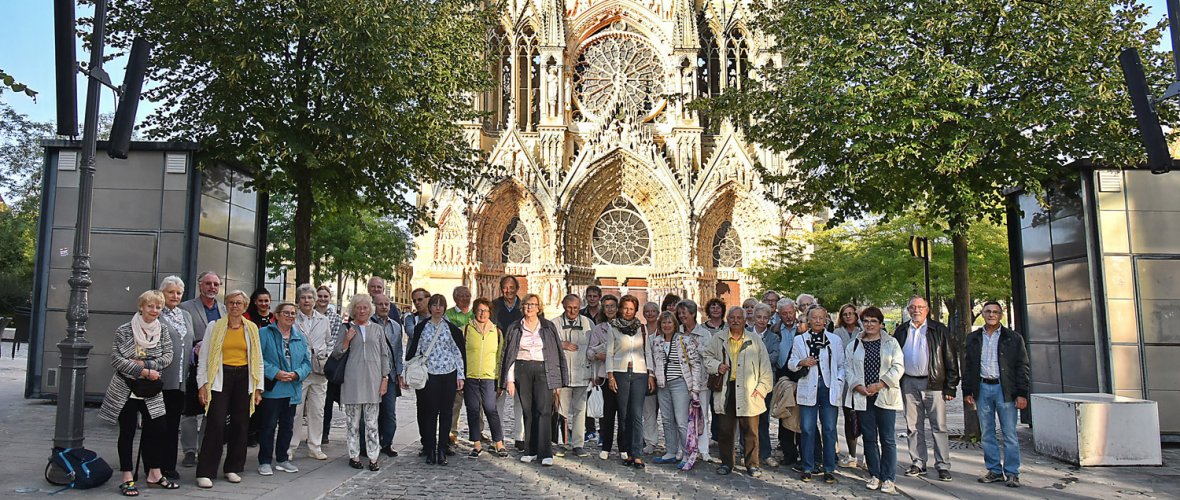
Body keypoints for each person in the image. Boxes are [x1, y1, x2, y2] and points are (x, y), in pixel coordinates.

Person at [99, 290, 178, 496]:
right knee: (127, 431)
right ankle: (127, 476)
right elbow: (117, 359)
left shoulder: (163, 331)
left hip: (151, 389)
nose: (154, 310)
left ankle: (154, 472)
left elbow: (168, 356)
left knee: (158, 429)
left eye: (158, 307)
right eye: (150, 306)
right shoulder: (124, 330)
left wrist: (146, 365)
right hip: (126, 387)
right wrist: (142, 371)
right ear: (141, 306)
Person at [195, 290, 264, 489]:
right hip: (220, 377)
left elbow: (257, 359)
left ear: (245, 306)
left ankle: (233, 468)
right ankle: (205, 471)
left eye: (239, 303)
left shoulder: (251, 328)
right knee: (216, 423)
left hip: (244, 378)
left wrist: (258, 388)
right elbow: (204, 358)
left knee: (241, 424)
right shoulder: (214, 327)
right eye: (231, 303)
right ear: (226, 305)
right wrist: (202, 385)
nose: (235, 306)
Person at [963, 301, 1030, 488]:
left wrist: (1022, 393)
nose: (991, 314)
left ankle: (1012, 472)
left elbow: (1022, 367)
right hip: (982, 388)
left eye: (995, 312)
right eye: (988, 312)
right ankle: (994, 470)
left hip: (1005, 390)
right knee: (987, 433)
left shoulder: (1013, 338)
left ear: (1001, 315)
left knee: (1009, 433)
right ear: (982, 314)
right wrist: (967, 390)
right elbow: (968, 366)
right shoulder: (974, 338)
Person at [893, 296, 960, 481]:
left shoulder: (938, 330)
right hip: (908, 382)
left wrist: (951, 386)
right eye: (912, 307)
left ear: (927, 309)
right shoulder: (902, 330)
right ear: (908, 310)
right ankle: (918, 462)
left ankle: (943, 465)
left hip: (934, 384)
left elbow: (950, 357)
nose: (916, 310)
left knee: (938, 426)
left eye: (920, 307)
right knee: (913, 426)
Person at [704, 306, 773, 477]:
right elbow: (705, 356)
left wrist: (761, 390)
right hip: (727, 390)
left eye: (739, 317)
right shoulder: (718, 338)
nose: (735, 320)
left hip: (750, 390)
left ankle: (752, 464)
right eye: (732, 317)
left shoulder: (755, 341)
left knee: (750, 430)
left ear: (744, 320)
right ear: (727, 319)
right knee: (725, 430)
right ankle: (727, 463)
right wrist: (716, 366)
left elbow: (765, 368)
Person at [501, 293, 569, 466]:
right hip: (523, 369)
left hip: (543, 369)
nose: (529, 308)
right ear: (522, 307)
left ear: (539, 308)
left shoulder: (547, 327)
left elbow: (556, 354)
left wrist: (558, 380)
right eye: (526, 304)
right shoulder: (515, 327)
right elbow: (509, 355)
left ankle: (545, 451)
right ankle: (530, 450)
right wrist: (509, 380)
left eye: (533, 304)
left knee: (544, 410)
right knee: (528, 410)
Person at [843, 306, 903, 494]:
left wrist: (880, 384)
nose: (869, 324)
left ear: (880, 324)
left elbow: (898, 367)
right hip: (863, 396)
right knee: (869, 438)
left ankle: (888, 477)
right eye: (866, 321)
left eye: (873, 321)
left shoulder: (891, 343)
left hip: (884, 394)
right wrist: (857, 385)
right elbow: (848, 368)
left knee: (887, 438)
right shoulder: (854, 344)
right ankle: (875, 474)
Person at [332, 294, 392, 471]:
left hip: (373, 380)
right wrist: (347, 339)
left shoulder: (377, 329)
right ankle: (354, 455)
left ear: (369, 309)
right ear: (353, 310)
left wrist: (385, 378)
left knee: (372, 423)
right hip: (352, 380)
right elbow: (337, 353)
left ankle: (374, 457)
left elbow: (384, 355)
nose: (362, 311)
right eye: (358, 308)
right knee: (353, 423)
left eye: (365, 307)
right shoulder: (347, 328)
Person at [405, 294, 465, 465]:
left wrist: (461, 375)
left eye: (441, 305)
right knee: (430, 412)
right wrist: (408, 370)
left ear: (445, 308)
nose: (438, 308)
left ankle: (442, 449)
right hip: (429, 374)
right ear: (430, 307)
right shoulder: (422, 327)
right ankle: (430, 448)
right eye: (435, 305)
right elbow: (415, 351)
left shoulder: (451, 329)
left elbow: (457, 353)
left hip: (448, 373)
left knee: (446, 412)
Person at [789, 306, 845, 484]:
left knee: (829, 429)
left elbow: (842, 364)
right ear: (809, 320)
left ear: (826, 319)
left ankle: (829, 468)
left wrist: (838, 380)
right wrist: (802, 362)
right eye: (814, 318)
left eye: (821, 318)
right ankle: (807, 466)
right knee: (807, 429)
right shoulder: (800, 340)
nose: (818, 321)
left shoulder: (834, 340)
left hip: (828, 388)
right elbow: (791, 363)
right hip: (809, 386)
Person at [257, 302, 312, 476]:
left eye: (293, 314)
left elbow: (307, 362)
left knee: (287, 426)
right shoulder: (264, 333)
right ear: (277, 315)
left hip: (292, 388)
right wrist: (275, 373)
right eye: (286, 313)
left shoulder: (300, 337)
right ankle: (264, 461)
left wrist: (297, 374)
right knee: (268, 426)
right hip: (273, 388)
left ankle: (282, 459)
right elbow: (257, 358)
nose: (290, 316)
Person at [178, 271, 225, 468]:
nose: (212, 287)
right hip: (193, 365)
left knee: (210, 409)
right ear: (200, 286)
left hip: (216, 368)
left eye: (216, 284)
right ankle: (189, 450)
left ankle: (205, 446)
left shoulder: (224, 309)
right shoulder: (186, 307)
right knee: (189, 410)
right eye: (208, 284)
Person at [648, 310, 703, 468]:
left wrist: (695, 388)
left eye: (669, 322)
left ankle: (688, 453)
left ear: (675, 324)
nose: (666, 325)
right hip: (663, 384)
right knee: (666, 419)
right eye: (664, 322)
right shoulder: (657, 341)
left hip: (680, 383)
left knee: (681, 421)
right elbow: (654, 362)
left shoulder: (684, 340)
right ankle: (671, 451)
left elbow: (695, 364)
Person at [606, 295, 653, 468]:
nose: (628, 311)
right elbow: (609, 352)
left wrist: (651, 374)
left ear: (635, 310)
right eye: (625, 308)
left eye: (631, 309)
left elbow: (647, 352)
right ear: (620, 309)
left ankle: (637, 453)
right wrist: (610, 376)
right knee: (624, 415)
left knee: (636, 414)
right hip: (621, 372)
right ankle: (626, 451)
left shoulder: (641, 328)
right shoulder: (613, 327)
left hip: (640, 372)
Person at [289, 284, 334, 460]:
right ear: (298, 301)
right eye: (303, 298)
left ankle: (314, 446)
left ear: (315, 300)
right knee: (296, 411)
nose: (306, 301)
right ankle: (291, 447)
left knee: (317, 411)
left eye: (309, 297)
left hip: (319, 371)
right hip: (299, 370)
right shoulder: (293, 319)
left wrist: (326, 356)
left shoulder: (323, 320)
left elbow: (330, 341)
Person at [157, 276, 195, 481]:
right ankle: (153, 465)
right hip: (160, 378)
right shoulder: (155, 313)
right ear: (162, 293)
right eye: (171, 292)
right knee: (156, 424)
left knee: (172, 425)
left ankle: (168, 465)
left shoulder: (186, 315)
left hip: (180, 380)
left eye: (178, 293)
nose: (175, 296)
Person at [463, 298, 509, 458]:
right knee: (473, 410)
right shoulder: (466, 329)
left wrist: (500, 380)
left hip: (489, 377)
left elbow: (500, 357)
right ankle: (476, 444)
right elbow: (461, 354)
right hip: (471, 376)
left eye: (486, 310)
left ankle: (499, 443)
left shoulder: (496, 332)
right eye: (479, 310)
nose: (482, 313)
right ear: (475, 311)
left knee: (490, 409)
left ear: (490, 313)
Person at [554, 294, 594, 457]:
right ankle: (562, 443)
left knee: (580, 410)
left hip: (581, 373)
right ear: (563, 306)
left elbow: (593, 347)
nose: (572, 311)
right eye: (569, 307)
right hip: (563, 375)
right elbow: (548, 348)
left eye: (575, 308)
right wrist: (561, 344)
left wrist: (593, 372)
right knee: (561, 410)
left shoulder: (587, 323)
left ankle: (578, 443)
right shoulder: (554, 324)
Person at [677, 299, 716, 464]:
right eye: (679, 314)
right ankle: (683, 448)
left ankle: (703, 449)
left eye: (684, 313)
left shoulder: (704, 333)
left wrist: (695, 345)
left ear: (693, 314)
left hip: (700, 380)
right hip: (681, 379)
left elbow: (708, 354)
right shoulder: (677, 331)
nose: (681, 316)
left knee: (702, 415)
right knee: (682, 416)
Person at [491, 276, 526, 450]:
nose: (508, 290)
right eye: (505, 287)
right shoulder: (494, 306)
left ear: (517, 288)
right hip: (498, 355)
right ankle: (498, 437)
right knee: (499, 398)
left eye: (512, 287)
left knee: (520, 398)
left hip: (519, 355)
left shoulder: (523, 306)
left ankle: (520, 437)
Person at [587, 294, 621, 459]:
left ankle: (623, 447)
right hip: (604, 374)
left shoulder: (625, 326)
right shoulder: (598, 329)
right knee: (607, 414)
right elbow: (590, 351)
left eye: (612, 306)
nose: (609, 309)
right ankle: (606, 446)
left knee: (623, 412)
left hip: (622, 373)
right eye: (606, 306)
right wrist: (597, 355)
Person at [747, 303, 781, 467]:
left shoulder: (773, 338)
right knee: (747, 420)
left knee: (763, 420)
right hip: (747, 382)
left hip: (766, 382)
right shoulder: (745, 335)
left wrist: (756, 358)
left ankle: (765, 453)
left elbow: (774, 357)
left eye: (765, 318)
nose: (761, 321)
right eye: (759, 317)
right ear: (753, 317)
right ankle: (748, 451)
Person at [372, 293, 405, 457]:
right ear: (374, 305)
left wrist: (399, 372)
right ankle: (370, 443)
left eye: (387, 304)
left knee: (389, 411)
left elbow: (398, 351)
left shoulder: (396, 326)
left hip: (390, 376)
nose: (384, 307)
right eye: (380, 304)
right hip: (371, 375)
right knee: (372, 411)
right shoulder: (369, 324)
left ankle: (387, 443)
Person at [832, 303, 864, 469]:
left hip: (863, 377)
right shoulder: (837, 333)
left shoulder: (863, 331)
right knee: (849, 417)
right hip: (845, 379)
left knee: (865, 419)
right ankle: (852, 455)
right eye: (845, 314)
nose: (848, 316)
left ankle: (866, 455)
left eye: (851, 313)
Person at [444, 286, 473, 450]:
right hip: (456, 364)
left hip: (473, 363)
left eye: (467, 295)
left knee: (477, 402)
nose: (465, 298)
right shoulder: (449, 315)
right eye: (461, 296)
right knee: (455, 402)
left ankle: (478, 431)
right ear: (455, 298)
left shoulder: (474, 313)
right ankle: (451, 432)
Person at [640, 301, 661, 455]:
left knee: (669, 413)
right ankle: (650, 441)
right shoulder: (640, 330)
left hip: (665, 374)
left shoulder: (665, 328)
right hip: (646, 374)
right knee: (649, 410)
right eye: (647, 311)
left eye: (653, 311)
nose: (650, 314)